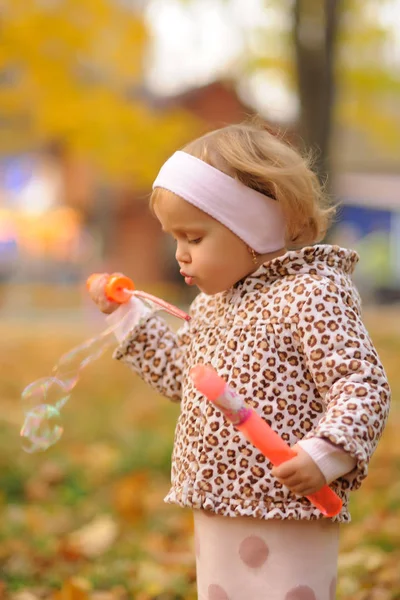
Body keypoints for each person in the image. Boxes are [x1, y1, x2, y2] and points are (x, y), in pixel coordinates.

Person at [88, 118, 391, 600]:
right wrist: (129, 318)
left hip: (286, 502)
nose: (180, 255)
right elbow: (184, 381)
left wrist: (326, 454)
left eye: (194, 237)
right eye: (175, 238)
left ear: (252, 228)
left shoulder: (310, 293)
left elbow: (360, 382)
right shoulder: (216, 301)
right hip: (216, 497)